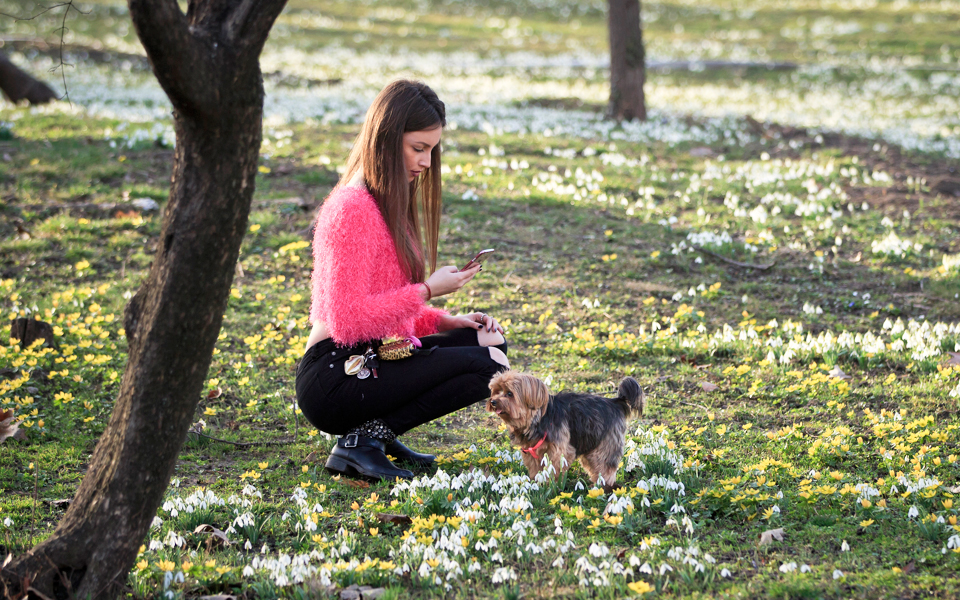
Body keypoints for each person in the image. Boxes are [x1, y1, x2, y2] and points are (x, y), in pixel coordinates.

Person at [296, 80, 510, 481]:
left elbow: (388, 309)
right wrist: (427, 290)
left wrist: (445, 321)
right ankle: (364, 440)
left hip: (376, 354)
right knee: (489, 367)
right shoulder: (351, 209)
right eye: (419, 148)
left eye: (432, 149)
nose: (427, 162)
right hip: (335, 373)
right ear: (387, 139)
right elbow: (349, 322)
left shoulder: (386, 202)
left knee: (491, 344)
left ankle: (375, 433)